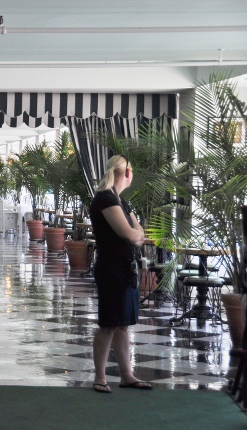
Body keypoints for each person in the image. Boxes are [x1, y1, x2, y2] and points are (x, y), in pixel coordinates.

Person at [90, 154, 151, 393]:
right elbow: (129, 234)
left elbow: (140, 232)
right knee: (109, 323)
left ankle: (127, 375)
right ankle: (100, 376)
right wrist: (135, 233)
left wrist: (136, 233)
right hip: (111, 268)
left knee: (123, 324)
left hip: (126, 268)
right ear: (127, 173)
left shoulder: (121, 201)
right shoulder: (105, 198)